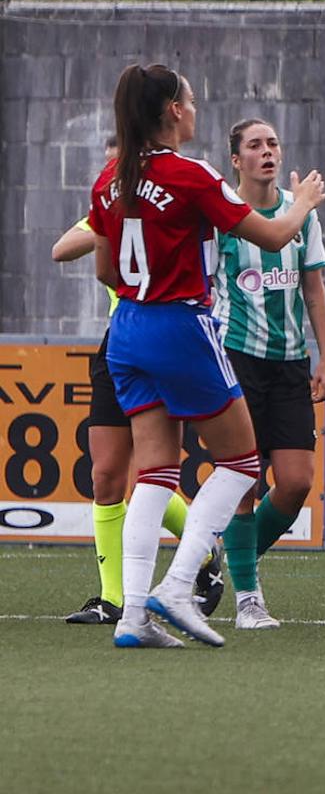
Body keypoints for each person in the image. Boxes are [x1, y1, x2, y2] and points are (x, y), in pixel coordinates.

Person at [89, 63, 325, 648]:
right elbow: (272, 236)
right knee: (243, 464)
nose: (195, 109)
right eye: (190, 100)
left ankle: (133, 616)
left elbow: (102, 268)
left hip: (126, 328)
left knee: (156, 471)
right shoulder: (191, 174)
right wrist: (304, 203)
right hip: (179, 324)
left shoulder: (108, 179)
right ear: (172, 110)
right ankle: (178, 585)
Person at [54, 134, 221, 625]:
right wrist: (109, 221)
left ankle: (203, 551)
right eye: (111, 172)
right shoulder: (109, 203)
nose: (115, 179)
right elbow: (61, 249)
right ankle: (113, 600)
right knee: (105, 474)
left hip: (163, 341)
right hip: (117, 344)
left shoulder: (173, 205)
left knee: (148, 475)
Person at [214, 119, 325, 630]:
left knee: (294, 482)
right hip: (236, 358)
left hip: (290, 364)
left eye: (272, 144)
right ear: (236, 160)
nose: (267, 152)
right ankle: (248, 600)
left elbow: (313, 289)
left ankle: (223, 558)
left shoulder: (301, 215)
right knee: (245, 478)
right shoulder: (223, 215)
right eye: (254, 146)